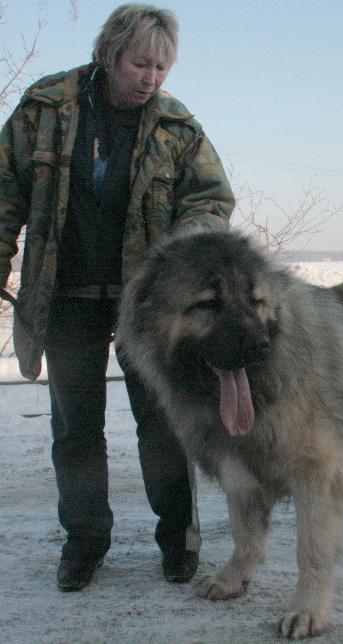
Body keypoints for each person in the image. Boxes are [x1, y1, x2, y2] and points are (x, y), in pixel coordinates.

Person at [0, 4, 234, 591]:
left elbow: (211, 200)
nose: (151, 77)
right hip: (66, 294)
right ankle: (84, 541)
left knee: (162, 425)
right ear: (109, 55)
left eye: (161, 66)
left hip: (150, 304)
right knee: (75, 428)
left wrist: (184, 255)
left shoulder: (178, 126)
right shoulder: (44, 107)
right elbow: (3, 192)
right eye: (140, 63)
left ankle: (178, 539)